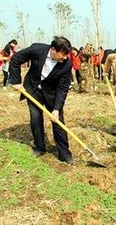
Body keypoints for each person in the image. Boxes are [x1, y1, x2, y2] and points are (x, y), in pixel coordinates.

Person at [9, 36, 74, 165]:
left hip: (52, 94)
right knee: (35, 118)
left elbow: (63, 88)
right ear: (53, 49)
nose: (65, 57)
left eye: (67, 54)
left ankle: (64, 153)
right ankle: (40, 147)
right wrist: (16, 81)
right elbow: (15, 59)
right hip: (33, 89)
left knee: (58, 120)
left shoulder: (67, 64)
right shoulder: (37, 49)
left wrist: (56, 109)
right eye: (63, 54)